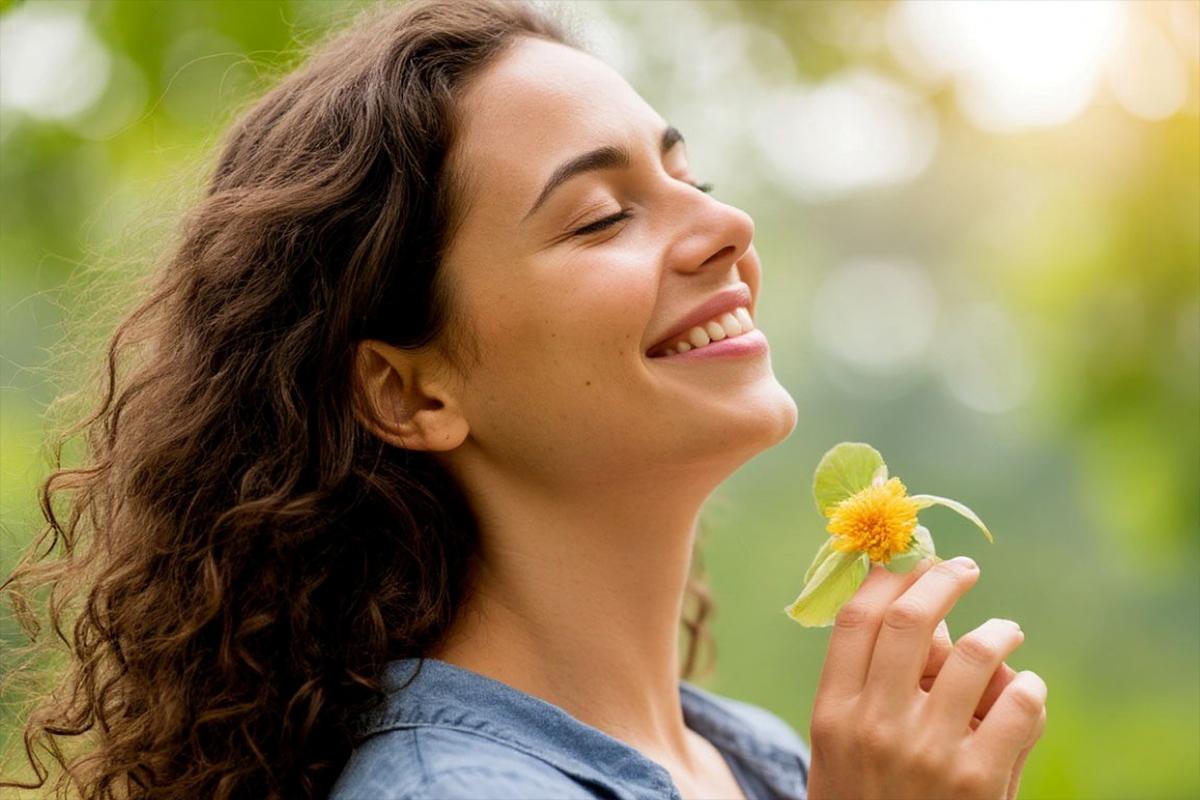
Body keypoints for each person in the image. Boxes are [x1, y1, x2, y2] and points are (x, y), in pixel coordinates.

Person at [1, 1, 1046, 798]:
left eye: (692, 179)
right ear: (408, 391)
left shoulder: (760, 757)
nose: (727, 228)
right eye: (601, 218)